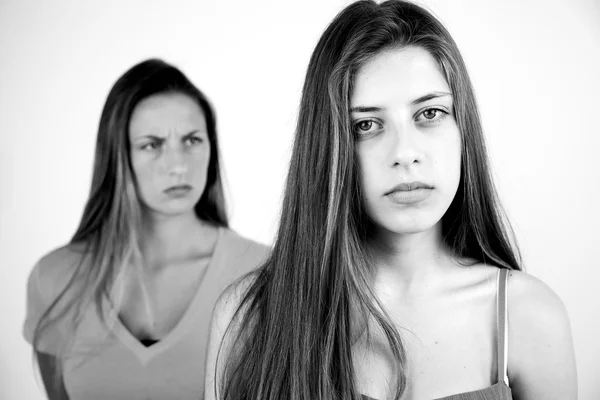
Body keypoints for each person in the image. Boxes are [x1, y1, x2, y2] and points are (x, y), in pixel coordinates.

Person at [204, 1, 577, 399]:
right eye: (366, 124)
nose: (404, 152)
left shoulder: (529, 316)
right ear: (327, 148)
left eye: (430, 113)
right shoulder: (248, 317)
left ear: (462, 125)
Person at [23, 59, 269, 400]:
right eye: (152, 145)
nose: (178, 165)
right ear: (117, 156)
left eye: (193, 140)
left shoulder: (264, 273)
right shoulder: (55, 278)